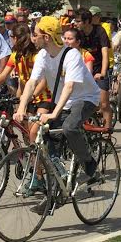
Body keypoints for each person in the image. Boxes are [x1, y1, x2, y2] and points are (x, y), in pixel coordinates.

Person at [15, 15, 103, 191]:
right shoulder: (43, 55)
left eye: (36, 34)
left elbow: (69, 86)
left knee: (70, 127)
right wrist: (22, 107)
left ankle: (91, 167)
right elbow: (32, 83)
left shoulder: (72, 56)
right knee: (42, 131)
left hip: (85, 98)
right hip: (63, 100)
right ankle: (53, 176)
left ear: (46, 37)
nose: (33, 37)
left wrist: (54, 113)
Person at [75, 8, 112, 127]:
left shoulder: (99, 31)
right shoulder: (78, 34)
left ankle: (107, 133)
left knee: (104, 104)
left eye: (78, 21)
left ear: (86, 22)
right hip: (85, 70)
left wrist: (102, 73)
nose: (76, 23)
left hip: (100, 68)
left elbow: (105, 54)